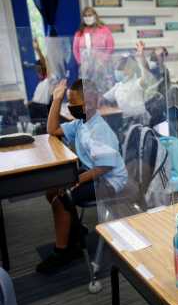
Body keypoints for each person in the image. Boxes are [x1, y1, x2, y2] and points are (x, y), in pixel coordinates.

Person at [36, 78, 128, 274]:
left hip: (109, 180)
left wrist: (75, 182)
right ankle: (74, 232)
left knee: (61, 198)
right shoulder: (81, 123)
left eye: (73, 103)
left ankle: (64, 251)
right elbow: (52, 130)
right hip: (92, 172)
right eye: (68, 103)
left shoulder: (99, 130)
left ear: (91, 102)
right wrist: (56, 100)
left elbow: (104, 167)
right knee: (52, 190)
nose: (70, 107)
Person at [103, 41, 155, 129]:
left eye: (121, 68)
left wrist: (141, 55)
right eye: (118, 68)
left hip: (140, 124)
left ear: (131, 69)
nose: (118, 71)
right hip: (124, 123)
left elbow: (146, 71)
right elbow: (104, 98)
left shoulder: (137, 83)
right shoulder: (118, 86)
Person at [73, 6, 115, 89]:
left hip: (102, 66)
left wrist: (102, 61)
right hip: (86, 68)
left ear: (95, 16)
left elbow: (110, 47)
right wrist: (81, 62)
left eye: (90, 15)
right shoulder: (79, 33)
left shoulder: (104, 29)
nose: (88, 17)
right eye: (86, 15)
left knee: (103, 89)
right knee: (87, 90)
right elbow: (75, 50)